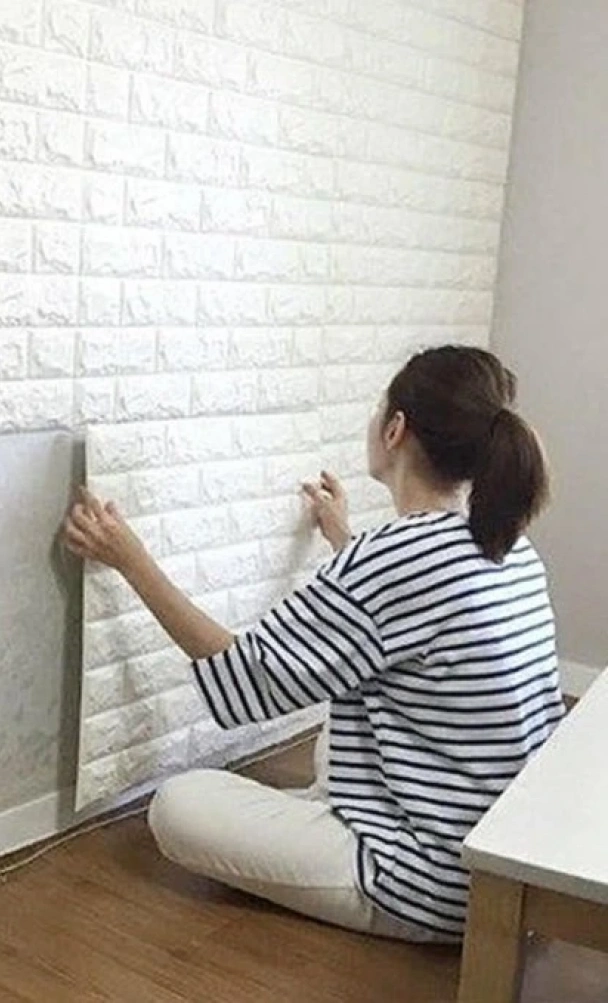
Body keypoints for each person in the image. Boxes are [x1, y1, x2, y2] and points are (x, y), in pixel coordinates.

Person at [61, 345, 563, 943]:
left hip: (427, 883)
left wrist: (130, 558)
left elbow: (246, 674)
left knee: (176, 803)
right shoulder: (506, 545)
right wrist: (344, 540)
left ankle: (343, 838)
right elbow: (401, 620)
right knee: (341, 721)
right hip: (503, 870)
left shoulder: (390, 559)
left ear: (395, 429)